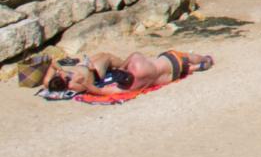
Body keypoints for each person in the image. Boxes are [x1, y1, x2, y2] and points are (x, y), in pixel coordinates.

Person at [44, 50, 214, 96]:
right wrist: (123, 66)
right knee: (184, 56)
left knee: (167, 72)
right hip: (171, 59)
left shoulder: (131, 87)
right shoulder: (137, 63)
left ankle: (194, 68)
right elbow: (134, 55)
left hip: (170, 75)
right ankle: (202, 59)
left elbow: (102, 91)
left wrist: (59, 70)